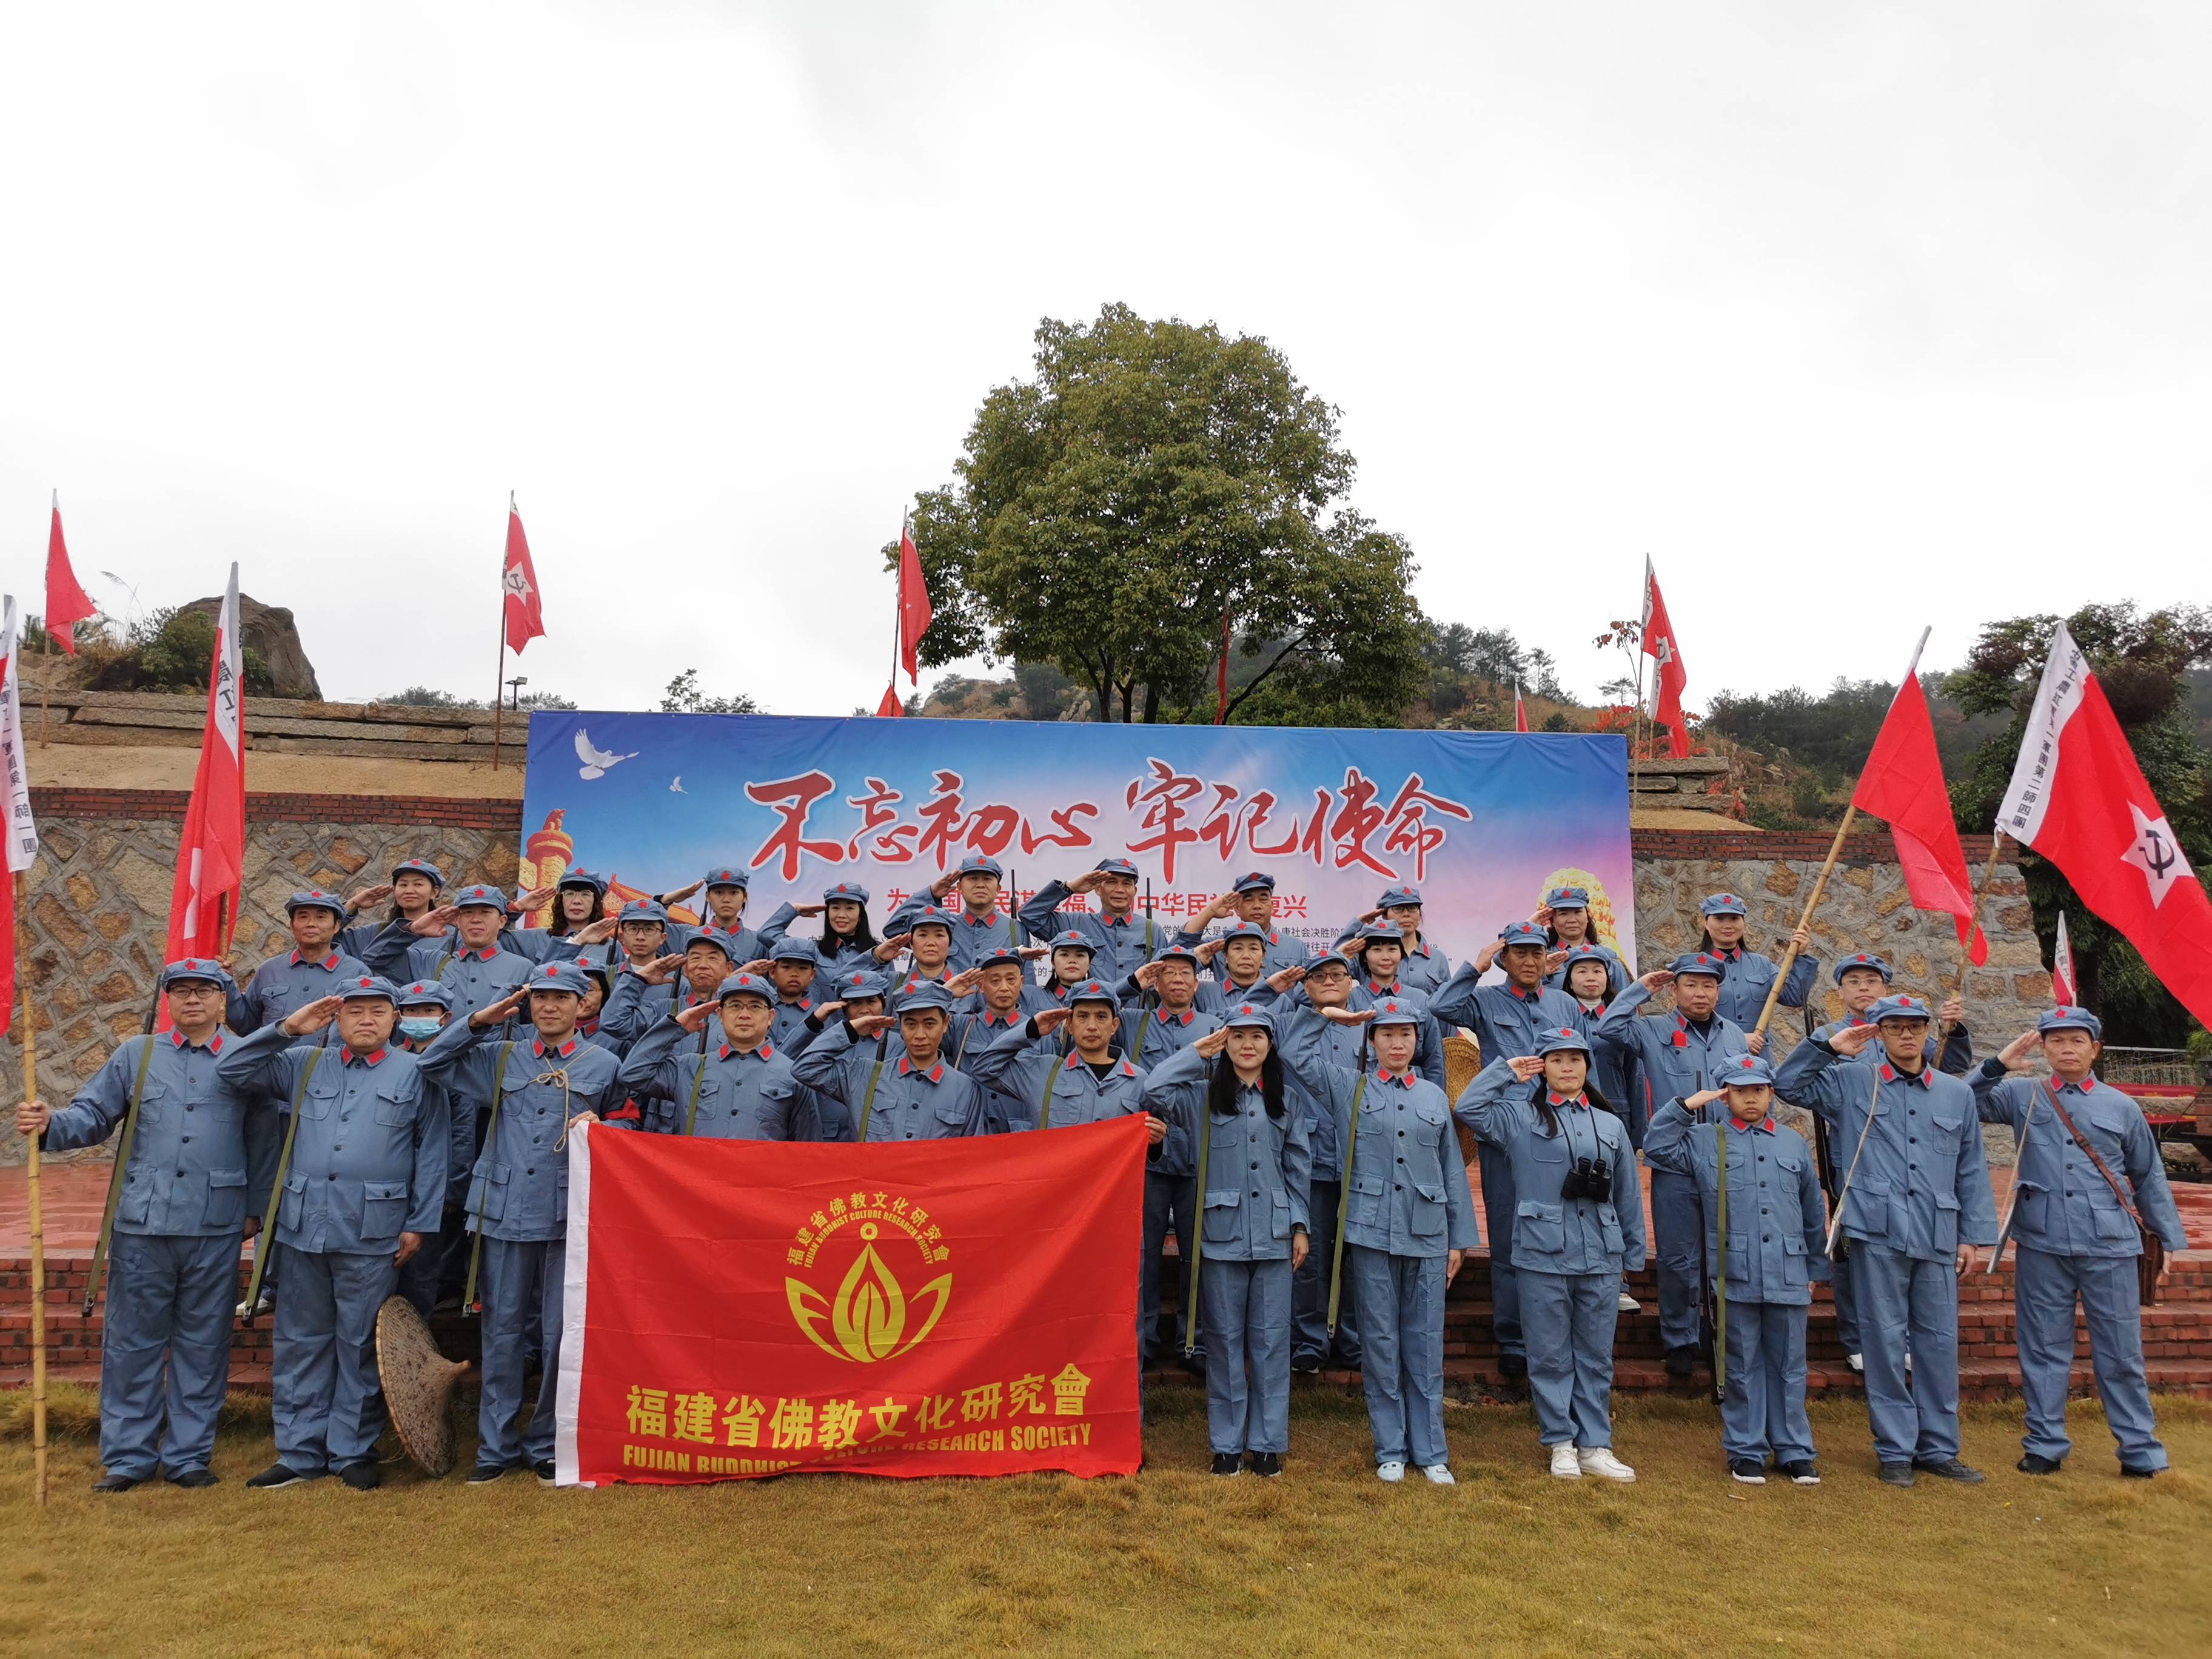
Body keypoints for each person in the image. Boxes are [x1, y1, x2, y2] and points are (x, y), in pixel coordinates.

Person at [13, 959, 276, 1491]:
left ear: (224, 1001)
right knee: (132, 1344)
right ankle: (129, 1456)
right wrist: (49, 1125)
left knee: (203, 1344)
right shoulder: (138, 1054)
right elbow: (91, 1114)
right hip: (143, 1222)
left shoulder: (245, 1060)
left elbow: (266, 1140)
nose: (193, 1000)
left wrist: (255, 1209)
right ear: (168, 1000)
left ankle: (187, 1456)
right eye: (181, 992)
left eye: (205, 991)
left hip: (216, 1223)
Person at [216, 975, 448, 1491]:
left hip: (375, 1230)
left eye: (377, 1011)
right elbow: (231, 1068)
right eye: (354, 1011)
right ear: (335, 1018)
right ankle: (299, 1452)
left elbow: (433, 1152)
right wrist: (285, 1028)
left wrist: (419, 1222)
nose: (366, 1020)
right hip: (304, 1227)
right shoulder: (304, 1063)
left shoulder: (417, 1071)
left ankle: (351, 1450)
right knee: (300, 1341)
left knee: (360, 1342)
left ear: (395, 1019)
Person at [1770, 995, 1999, 1486]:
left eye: (1915, 1026)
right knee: (1884, 1341)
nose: (1907, 1035)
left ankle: (1939, 1447)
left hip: (1937, 1232)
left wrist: (1974, 1237)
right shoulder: (1854, 1082)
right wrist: (1828, 1046)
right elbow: (1787, 1084)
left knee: (1938, 1344)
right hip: (1876, 1231)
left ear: (1927, 1031)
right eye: (1894, 1027)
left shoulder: (1955, 1094)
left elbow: (1971, 1167)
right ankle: (1895, 1448)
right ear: (1880, 1033)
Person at [417, 961, 626, 1485]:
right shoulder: (501, 1055)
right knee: (503, 1331)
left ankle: (546, 1443)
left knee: (560, 1336)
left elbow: (632, 1117)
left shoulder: (603, 1063)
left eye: (562, 998)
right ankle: (495, 1446)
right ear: (528, 1004)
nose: (550, 1007)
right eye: (540, 998)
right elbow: (432, 1064)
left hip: (568, 1216)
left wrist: (608, 1123)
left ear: (583, 1006)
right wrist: (478, 1022)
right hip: (505, 1213)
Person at [1972, 1007, 2187, 1478]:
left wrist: (2167, 1239)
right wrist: (1996, 1065)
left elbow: (2148, 1175)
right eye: (2056, 1040)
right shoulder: (2022, 1094)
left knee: (2121, 1352)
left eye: (2076, 1040)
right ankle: (2045, 1445)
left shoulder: (2121, 1106)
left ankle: (2139, 1450)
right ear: (2044, 1048)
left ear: (2095, 1048)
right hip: (2042, 1241)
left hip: (2110, 1243)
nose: (2066, 1048)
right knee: (2043, 1348)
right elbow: (1961, 1102)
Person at [1278, 996, 1476, 1484]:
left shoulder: (1434, 1094)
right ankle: (1390, 1447)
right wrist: (1326, 1015)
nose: (1396, 1042)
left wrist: (1460, 1239)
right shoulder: (1351, 1086)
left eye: (1405, 1034)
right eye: (1386, 1034)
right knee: (1381, 1341)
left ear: (1418, 1040)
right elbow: (1293, 1054)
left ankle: (1431, 1452)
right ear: (1371, 1041)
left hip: (1428, 1233)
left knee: (1425, 1343)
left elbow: (1452, 1167)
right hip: (1369, 1231)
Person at [1456, 1028, 1644, 1481]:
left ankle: (1595, 1444)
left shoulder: (1610, 1123)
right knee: (1550, 1354)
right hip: (1542, 1253)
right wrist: (1506, 1072)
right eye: (1556, 1060)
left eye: (1575, 1059)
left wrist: (1631, 1256)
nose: (1567, 1067)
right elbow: (1467, 1107)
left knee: (1596, 1355)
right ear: (1544, 1068)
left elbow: (1628, 1195)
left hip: (1599, 1253)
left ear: (1586, 1066)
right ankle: (1561, 1442)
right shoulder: (1520, 1118)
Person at [1141, 1011, 1312, 1476]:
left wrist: (1301, 1226)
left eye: (1257, 1036)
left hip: (1276, 1236)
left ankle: (1268, 1444)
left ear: (1270, 1045)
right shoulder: (1201, 1098)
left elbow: (1298, 1169)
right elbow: (1153, 1090)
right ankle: (1227, 1446)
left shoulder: (1287, 1100)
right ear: (1224, 1043)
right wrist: (1196, 1053)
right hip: (1219, 1235)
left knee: (1272, 1342)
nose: (1247, 1045)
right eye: (1237, 1037)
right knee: (1224, 1342)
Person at [1646, 1054, 1826, 1485]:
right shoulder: (1705, 1139)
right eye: (1741, 1090)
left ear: (1771, 1093)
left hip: (1787, 1269)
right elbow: (1656, 1146)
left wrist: (1816, 1266)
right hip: (1734, 1271)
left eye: (1758, 1090)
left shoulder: (1792, 1143)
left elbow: (1812, 1210)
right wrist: (1686, 1106)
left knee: (1790, 1365)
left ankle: (1794, 1449)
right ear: (1726, 1096)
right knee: (1740, 1365)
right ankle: (1746, 1448)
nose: (1751, 1098)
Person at [1428, 920, 1590, 1379]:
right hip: (1505, 1133)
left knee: (1564, 1233)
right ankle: (1514, 1340)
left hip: (1561, 1134)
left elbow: (1585, 1064)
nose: (1530, 961)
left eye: (1537, 953)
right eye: (1518, 953)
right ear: (1504, 958)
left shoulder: (1564, 1003)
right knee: (1509, 1238)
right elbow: (1442, 1006)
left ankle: (1558, 1335)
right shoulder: (1484, 999)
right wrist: (1474, 966)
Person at [1807, 951, 1972, 1373]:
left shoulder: (1907, 1030)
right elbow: (1807, 1086)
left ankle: (1909, 1340)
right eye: (1855, 981)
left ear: (1885, 987)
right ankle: (1857, 1338)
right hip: (1855, 1160)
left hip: (1913, 1163)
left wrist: (1953, 1032)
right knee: (1850, 1253)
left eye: (1872, 980)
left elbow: (1951, 1068)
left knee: (1908, 1251)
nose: (1864, 987)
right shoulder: (1831, 1035)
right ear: (1841, 991)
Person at [1592, 951, 1752, 1378]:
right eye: (1690, 985)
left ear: (1718, 989)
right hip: (1676, 1152)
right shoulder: (1652, 1029)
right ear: (1675, 989)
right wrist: (1641, 989)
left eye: (1708, 985)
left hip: (1725, 1155)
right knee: (1679, 1256)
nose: (1700, 993)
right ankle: (1680, 1339)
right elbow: (1607, 1028)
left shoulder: (1734, 1035)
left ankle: (1719, 1334)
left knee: (1724, 1253)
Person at [1118, 945, 1224, 1371]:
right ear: (1155, 982)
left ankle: (1192, 1341)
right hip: (1146, 1160)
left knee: (1197, 1254)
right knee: (1140, 1255)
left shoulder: (1214, 1027)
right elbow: (1087, 1006)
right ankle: (1141, 1342)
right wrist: (1132, 983)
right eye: (1169, 974)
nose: (1178, 980)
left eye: (1187, 973)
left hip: (1202, 1156)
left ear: (1198, 983)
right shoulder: (1133, 1023)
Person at [1270, 951, 1366, 1376]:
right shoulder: (1290, 1025)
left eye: (1338, 975)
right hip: (1305, 1157)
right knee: (1307, 1254)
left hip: (1360, 1156)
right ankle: (1308, 1340)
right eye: (1319, 977)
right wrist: (1322, 1016)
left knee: (1357, 1252)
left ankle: (1354, 1338)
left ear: (1352, 982)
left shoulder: (1370, 1027)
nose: (1329, 981)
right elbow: (1288, 1056)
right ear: (1304, 986)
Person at [615, 970, 816, 1140]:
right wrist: (676, 1028)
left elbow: (806, 1148)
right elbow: (632, 1074)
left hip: (762, 1183)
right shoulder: (690, 1067)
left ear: (771, 1017)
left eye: (755, 1006)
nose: (744, 1014)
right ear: (720, 1015)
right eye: (735, 1005)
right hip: (698, 1183)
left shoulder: (792, 1074)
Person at [793, 981, 991, 1141]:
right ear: (900, 1026)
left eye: (930, 1024)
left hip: (934, 1190)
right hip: (876, 1191)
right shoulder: (864, 1075)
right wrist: (850, 1030)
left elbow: (971, 1155)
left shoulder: (965, 1088)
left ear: (946, 1024)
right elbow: (805, 1069)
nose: (920, 1035)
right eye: (911, 1024)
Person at [968, 982, 1165, 1139]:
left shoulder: (1138, 1081)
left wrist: (1156, 1143)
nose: (1091, 1026)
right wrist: (1030, 1029)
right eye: (1082, 1016)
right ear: (1069, 1025)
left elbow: (1148, 1145)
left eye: (1101, 1017)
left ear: (1114, 1026)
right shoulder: (1043, 1072)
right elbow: (984, 1069)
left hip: (1113, 1190)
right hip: (1058, 1189)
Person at [387, 979, 474, 1317]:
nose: (419, 1016)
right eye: (411, 1011)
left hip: (434, 1190)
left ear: (444, 1017)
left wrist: (451, 1192)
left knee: (421, 1276)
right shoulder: (393, 1060)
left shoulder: (455, 1064)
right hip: (392, 1186)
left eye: (428, 1011)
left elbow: (462, 1135)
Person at [229, 890, 371, 1034]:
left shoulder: (357, 973)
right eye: (303, 917)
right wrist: (225, 984)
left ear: (336, 926)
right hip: (272, 1057)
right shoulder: (269, 970)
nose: (311, 924)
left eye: (321, 917)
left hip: (326, 1057)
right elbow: (245, 1025)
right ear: (292, 925)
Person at [402, 884, 536, 1024]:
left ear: (502, 921)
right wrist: (413, 929)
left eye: (485, 912)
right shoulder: (431, 962)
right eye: (467, 913)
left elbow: (532, 1026)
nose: (476, 920)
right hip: (442, 1046)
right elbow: (381, 958)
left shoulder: (524, 968)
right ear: (457, 921)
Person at [598, 925, 743, 1051]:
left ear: (729, 968)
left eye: (713, 958)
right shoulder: (663, 1010)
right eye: (695, 957)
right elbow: (614, 1023)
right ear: (685, 968)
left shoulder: (742, 1015)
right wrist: (639, 979)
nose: (703, 965)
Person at [1020, 856, 1160, 984]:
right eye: (1112, 882)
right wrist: (1070, 887)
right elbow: (1030, 915)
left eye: (1127, 884)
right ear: (1098, 889)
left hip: (1138, 1011)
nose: (1120, 890)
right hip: (1087, 1010)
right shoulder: (1074, 924)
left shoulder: (1152, 930)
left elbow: (1164, 978)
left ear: (1135, 891)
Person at [1694, 892, 1815, 1033]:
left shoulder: (1762, 964)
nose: (1728, 925)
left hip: (1757, 1053)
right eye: (1719, 919)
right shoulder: (1695, 966)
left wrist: (1800, 954)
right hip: (1713, 1052)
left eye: (1735, 918)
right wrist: (1738, 1040)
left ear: (1743, 923)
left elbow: (1794, 998)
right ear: (1706, 923)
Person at [888, 854, 1019, 971]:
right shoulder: (943, 927)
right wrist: (931, 894)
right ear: (960, 887)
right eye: (973, 878)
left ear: (998, 889)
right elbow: (894, 929)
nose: (980, 885)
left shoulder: (1014, 930)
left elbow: (1026, 985)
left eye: (987, 879)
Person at [1332, 886, 1452, 997]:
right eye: (1398, 909)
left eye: (1413, 908)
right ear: (1384, 915)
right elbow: (1331, 965)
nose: (1406, 914)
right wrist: (1357, 924)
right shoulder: (1368, 953)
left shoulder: (1437, 958)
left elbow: (1447, 1002)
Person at [1175, 871, 1306, 974]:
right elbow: (1180, 952)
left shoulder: (1295, 947)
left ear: (1273, 906)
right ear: (1237, 909)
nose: (1257, 906)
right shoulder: (1220, 944)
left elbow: (1307, 994)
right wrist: (1209, 912)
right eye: (1249, 900)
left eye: (1263, 899)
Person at [337, 857, 447, 975]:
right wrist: (352, 905)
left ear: (434, 892)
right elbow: (324, 941)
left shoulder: (450, 935)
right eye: (403, 885)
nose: (409, 891)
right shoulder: (376, 933)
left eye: (418, 884)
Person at [757, 881, 880, 973]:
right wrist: (795, 909)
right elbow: (767, 934)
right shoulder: (812, 950)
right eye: (835, 908)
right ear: (828, 914)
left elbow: (888, 998)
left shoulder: (878, 951)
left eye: (850, 908)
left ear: (860, 916)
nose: (841, 915)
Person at [655, 865, 764, 962]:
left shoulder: (758, 942)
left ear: (745, 897)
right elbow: (650, 935)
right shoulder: (684, 935)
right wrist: (665, 901)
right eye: (719, 893)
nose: (726, 899)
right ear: (708, 896)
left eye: (734, 893)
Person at [1539, 885, 1630, 999]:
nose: (1572, 920)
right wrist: (1540, 971)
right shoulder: (1542, 958)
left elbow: (1626, 1003)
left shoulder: (1610, 958)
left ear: (1588, 917)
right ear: (1553, 920)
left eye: (1578, 912)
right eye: (1563, 914)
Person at [762, 937, 828, 1048]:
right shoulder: (759, 1007)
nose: (794, 974)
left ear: (812, 975)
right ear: (773, 972)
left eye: (802, 968)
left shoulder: (821, 1015)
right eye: (786, 967)